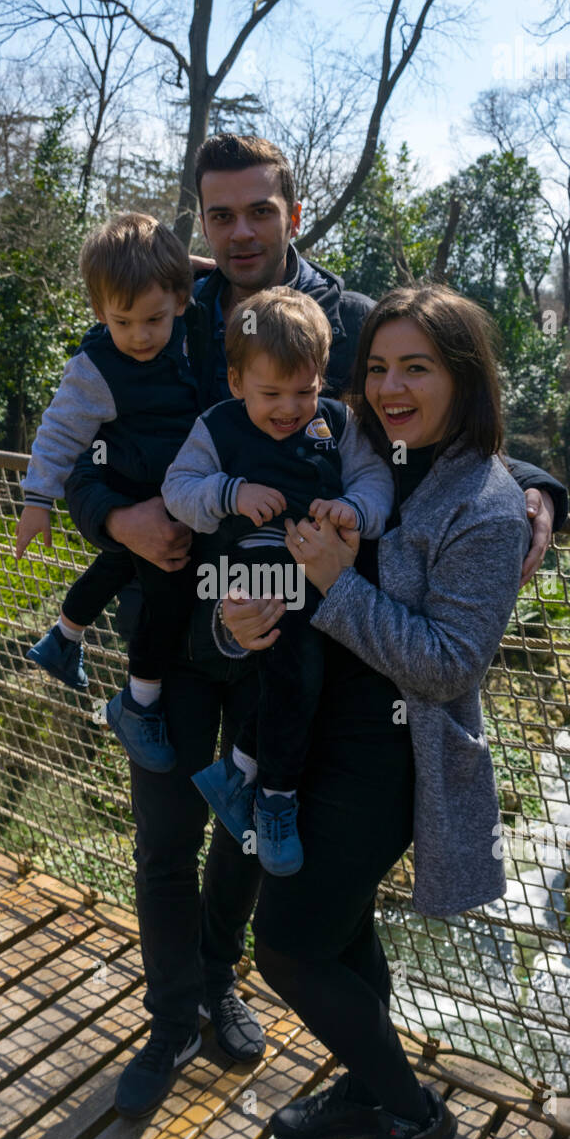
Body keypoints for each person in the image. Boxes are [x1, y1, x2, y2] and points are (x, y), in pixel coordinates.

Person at [61, 134, 568, 1120]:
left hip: (291, 636)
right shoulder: (164, 300)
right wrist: (107, 514)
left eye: (259, 210)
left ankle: (221, 978)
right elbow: (76, 433)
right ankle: (171, 1019)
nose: (239, 229)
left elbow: (434, 407)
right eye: (220, 214)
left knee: (251, 831)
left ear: (294, 213)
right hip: (174, 621)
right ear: (198, 223)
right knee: (164, 836)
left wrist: (541, 489)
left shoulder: (344, 319)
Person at [213, 282, 540, 1139]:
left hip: (392, 758)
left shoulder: (484, 503)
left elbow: (446, 666)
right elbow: (263, 561)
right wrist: (241, 622)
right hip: (307, 733)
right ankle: (367, 1084)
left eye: (419, 367)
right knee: (342, 926)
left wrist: (331, 583)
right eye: (379, 368)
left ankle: (411, 1113)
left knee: (283, 941)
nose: (391, 386)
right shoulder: (361, 454)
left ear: (463, 377)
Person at [162, 288, 393, 874]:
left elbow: (374, 480)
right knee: (298, 673)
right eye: (271, 394)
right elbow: (177, 489)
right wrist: (230, 493)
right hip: (248, 575)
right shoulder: (218, 426)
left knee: (302, 680)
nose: (290, 409)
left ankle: (240, 771)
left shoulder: (337, 424)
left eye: (305, 391)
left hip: (319, 570)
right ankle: (274, 796)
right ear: (237, 382)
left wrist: (356, 510)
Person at [15, 213, 202, 773]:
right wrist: (36, 500)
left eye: (155, 319)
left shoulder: (192, 338)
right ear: (100, 313)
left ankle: (63, 638)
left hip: (168, 492)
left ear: (179, 302)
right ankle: (138, 703)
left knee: (116, 563)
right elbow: (58, 433)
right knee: (165, 596)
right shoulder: (96, 369)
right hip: (139, 495)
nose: (141, 336)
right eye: (123, 322)